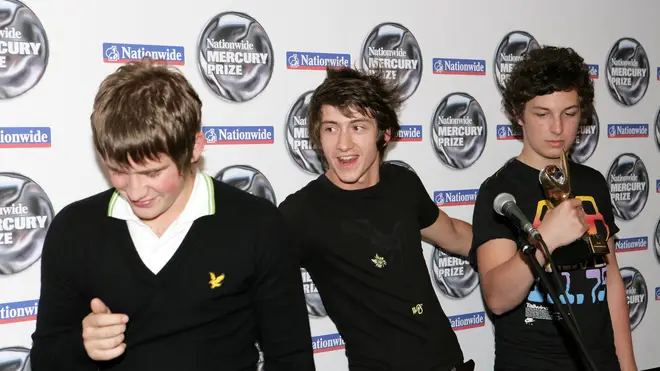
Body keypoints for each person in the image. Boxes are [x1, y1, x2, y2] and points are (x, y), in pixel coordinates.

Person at [30, 61, 316, 371]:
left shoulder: (258, 225)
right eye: (119, 170)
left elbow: (291, 359)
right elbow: (47, 357)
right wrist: (83, 347)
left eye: (152, 172)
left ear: (194, 148)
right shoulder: (74, 230)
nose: (136, 190)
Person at [278, 67, 474, 371]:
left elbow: (456, 235)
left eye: (357, 127)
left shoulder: (402, 182)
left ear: (384, 133)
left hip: (449, 361)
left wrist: (526, 242)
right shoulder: (302, 211)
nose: (343, 144)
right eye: (331, 128)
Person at [469, 46, 636, 371]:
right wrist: (545, 239)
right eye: (542, 114)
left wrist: (627, 366)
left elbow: (611, 280)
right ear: (519, 114)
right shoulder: (501, 192)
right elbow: (497, 298)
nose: (558, 128)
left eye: (570, 113)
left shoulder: (592, 183)